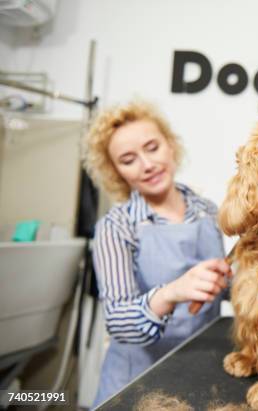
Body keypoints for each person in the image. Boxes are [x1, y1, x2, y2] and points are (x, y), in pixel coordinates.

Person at [83, 101, 231, 407]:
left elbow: (224, 286)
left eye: (152, 147)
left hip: (198, 368)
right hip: (137, 377)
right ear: (116, 172)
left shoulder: (207, 211)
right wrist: (172, 292)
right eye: (128, 160)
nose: (147, 164)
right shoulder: (116, 226)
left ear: (170, 145)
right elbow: (118, 321)